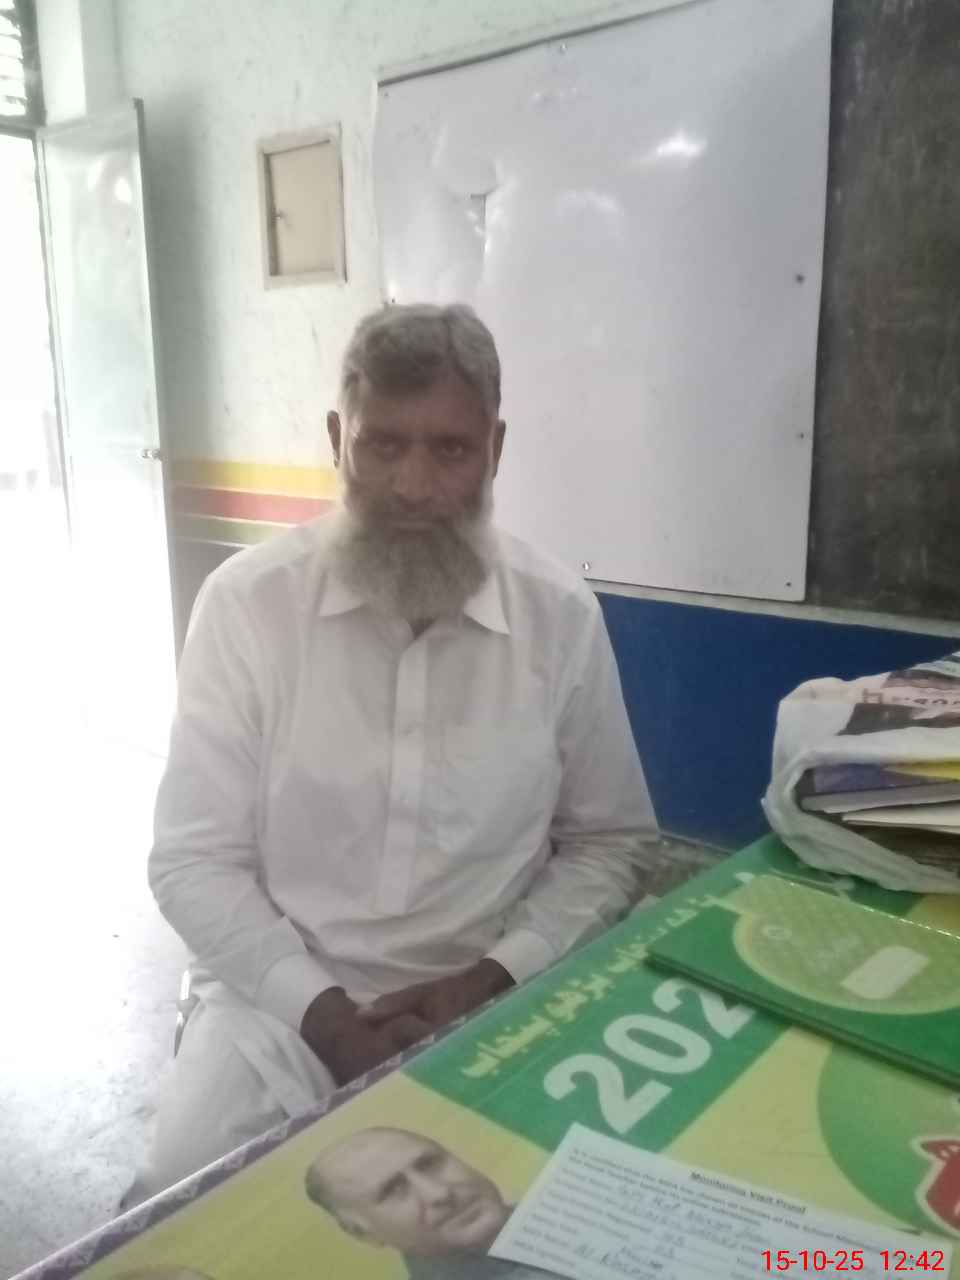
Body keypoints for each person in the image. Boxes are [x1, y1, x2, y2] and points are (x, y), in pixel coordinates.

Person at [139, 303, 657, 1197]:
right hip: (276, 1001)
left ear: (495, 450)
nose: (413, 485)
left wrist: (492, 979)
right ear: (336, 440)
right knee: (180, 1200)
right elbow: (192, 861)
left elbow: (611, 842)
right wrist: (325, 1017)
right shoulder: (247, 607)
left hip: (499, 993)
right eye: (382, 445)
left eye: (450, 450)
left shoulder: (560, 617)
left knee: (562, 1216)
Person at [305, 1127, 550, 1278]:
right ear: (363, 1234)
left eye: (429, 1164)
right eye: (392, 1190)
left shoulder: (557, 1202)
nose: (439, 1193)